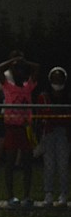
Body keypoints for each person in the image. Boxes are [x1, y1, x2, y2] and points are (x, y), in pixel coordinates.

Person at [0, 54, 40, 207]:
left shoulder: (28, 87)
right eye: (17, 71)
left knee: (27, 163)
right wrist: (12, 62)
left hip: (25, 128)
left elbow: (37, 68)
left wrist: (24, 61)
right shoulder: (8, 86)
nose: (19, 73)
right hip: (12, 127)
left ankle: (27, 196)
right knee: (10, 162)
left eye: (21, 71)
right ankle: (10, 196)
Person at [36, 66, 70, 206]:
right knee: (49, 165)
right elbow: (42, 115)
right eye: (55, 78)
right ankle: (48, 194)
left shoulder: (68, 96)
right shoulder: (44, 96)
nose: (57, 81)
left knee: (63, 165)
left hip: (64, 133)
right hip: (48, 132)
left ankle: (63, 194)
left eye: (60, 78)